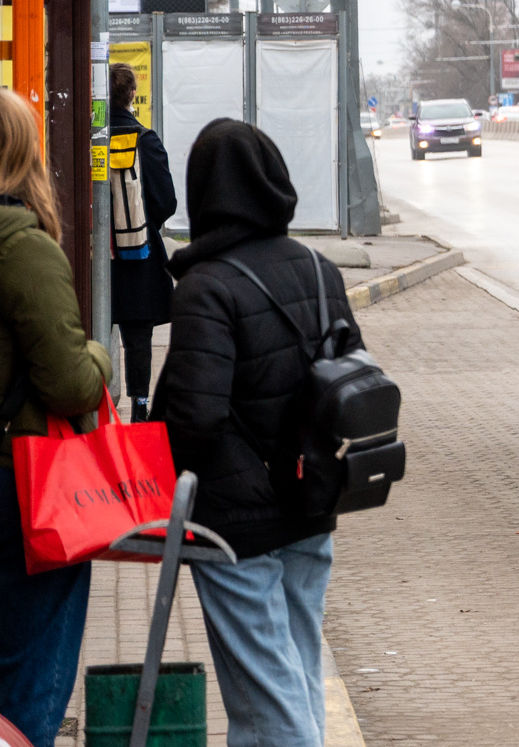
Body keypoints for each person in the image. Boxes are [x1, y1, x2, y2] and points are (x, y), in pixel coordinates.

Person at [153, 120, 364, 747]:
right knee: (297, 678)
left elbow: (194, 418)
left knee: (267, 702)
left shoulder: (206, 287)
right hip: (310, 504)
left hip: (234, 529)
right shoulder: (320, 270)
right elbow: (348, 382)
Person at [0, 88, 112, 747]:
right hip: (20, 492)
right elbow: (70, 382)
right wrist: (100, 354)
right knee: (27, 685)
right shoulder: (21, 245)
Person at [108, 63, 176, 422]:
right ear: (132, 94)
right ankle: (139, 409)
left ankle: (98, 408)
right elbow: (167, 199)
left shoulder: (90, 140)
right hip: (140, 256)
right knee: (138, 339)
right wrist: (143, 226)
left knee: (96, 334)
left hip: (98, 260)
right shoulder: (146, 140)